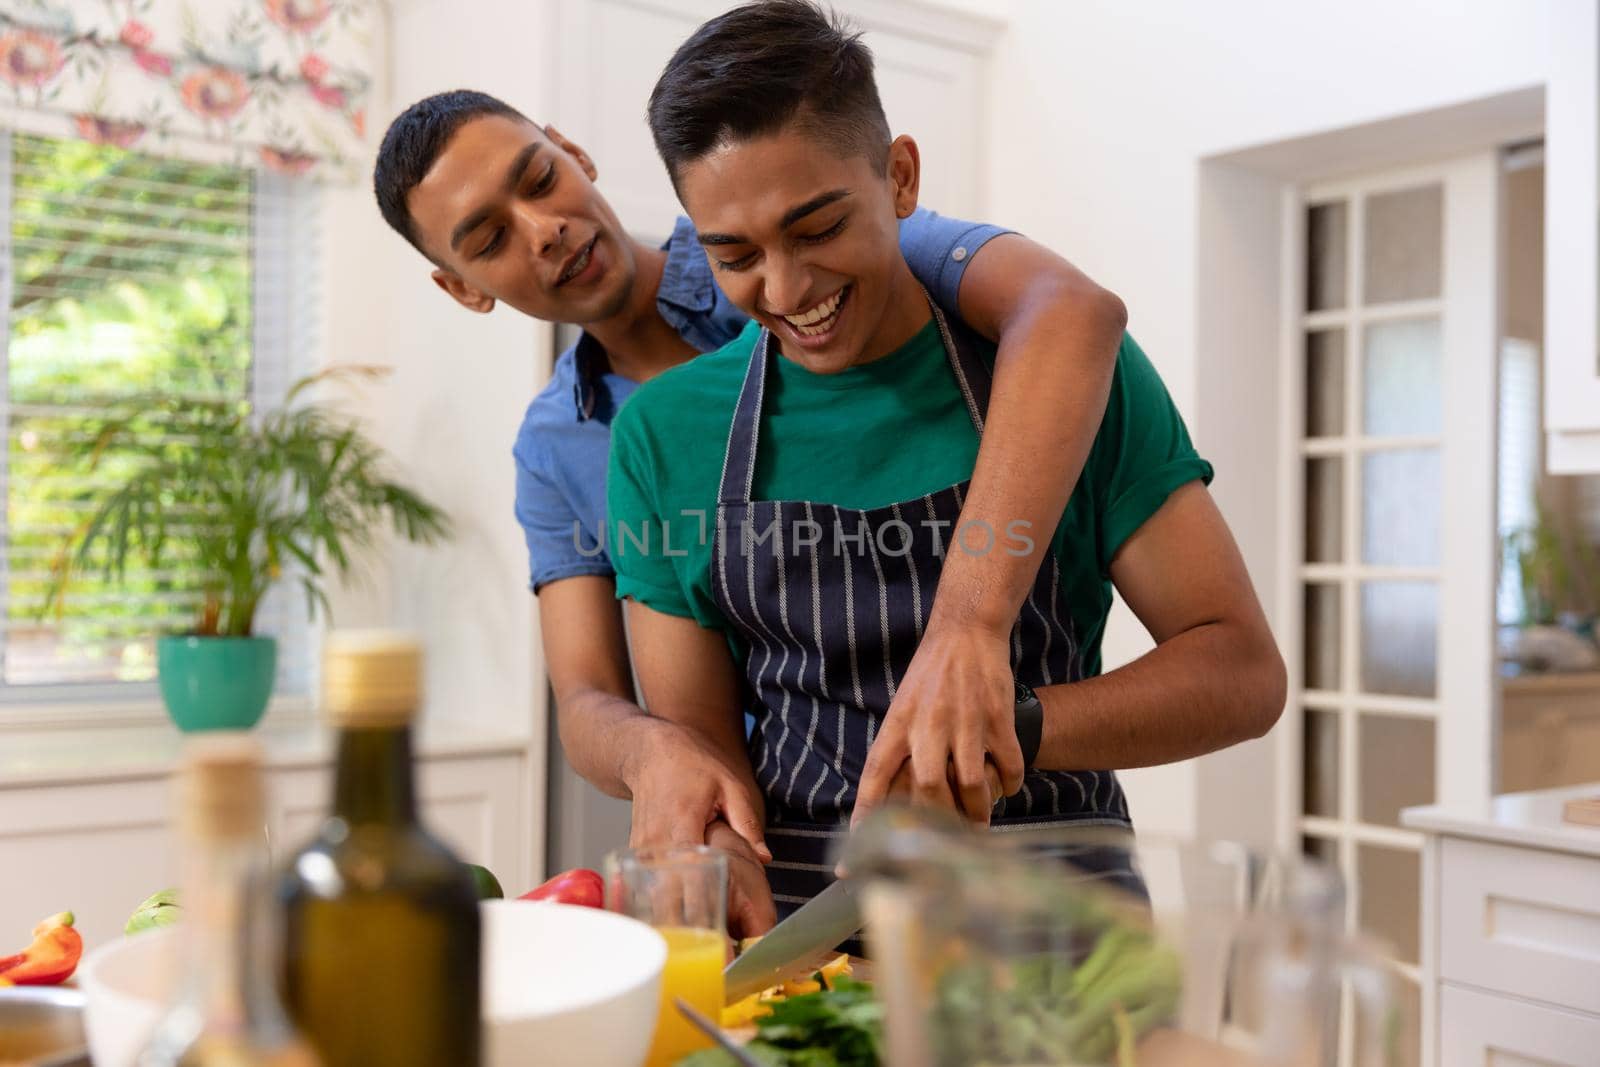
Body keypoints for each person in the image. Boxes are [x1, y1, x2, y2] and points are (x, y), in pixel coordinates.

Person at [374, 82, 1132, 931]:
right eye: (489, 237)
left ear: (574, 154)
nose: (542, 226)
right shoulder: (559, 446)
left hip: (1011, 816)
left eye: (539, 178)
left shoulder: (812, 246)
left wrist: (970, 629)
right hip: (777, 838)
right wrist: (655, 750)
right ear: (463, 287)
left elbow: (1068, 309)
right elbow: (585, 695)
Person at [610, 0, 1286, 920]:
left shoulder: (1065, 384)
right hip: (807, 938)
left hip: (1060, 941)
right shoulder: (665, 431)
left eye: (816, 229)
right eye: (736, 255)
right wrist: (718, 835)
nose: (786, 287)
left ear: (899, 177)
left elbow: (1243, 673)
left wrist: (1017, 721)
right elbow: (701, 738)